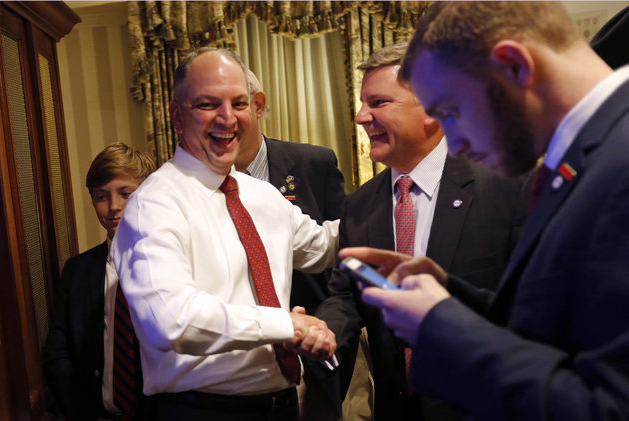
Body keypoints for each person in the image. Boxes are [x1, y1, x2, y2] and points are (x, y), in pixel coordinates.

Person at [355, 2, 629, 420]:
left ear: (513, 66)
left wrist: (443, 327)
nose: (456, 144)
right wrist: (451, 294)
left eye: (450, 112)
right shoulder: (582, 156)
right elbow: (559, 331)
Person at [110, 47, 339, 421]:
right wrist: (286, 324)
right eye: (208, 104)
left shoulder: (261, 195)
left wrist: (395, 197)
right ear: (176, 115)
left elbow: (324, 247)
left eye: (239, 102)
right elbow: (171, 320)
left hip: (282, 405)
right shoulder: (152, 205)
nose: (228, 117)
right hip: (199, 411)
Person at [313, 43, 529, 421]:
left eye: (378, 102)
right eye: (363, 103)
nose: (362, 116)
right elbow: (347, 294)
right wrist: (322, 335)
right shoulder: (359, 205)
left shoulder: (508, 187)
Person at [236, 69, 346, 420]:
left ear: (259, 105)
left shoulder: (314, 164)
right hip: (240, 362)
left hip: (317, 344)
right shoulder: (186, 192)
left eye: (236, 104)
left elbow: (333, 248)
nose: (223, 118)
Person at [43, 142, 156, 420]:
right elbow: (58, 350)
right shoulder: (77, 270)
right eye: (101, 196)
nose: (114, 207)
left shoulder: (175, 263)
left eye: (126, 194)